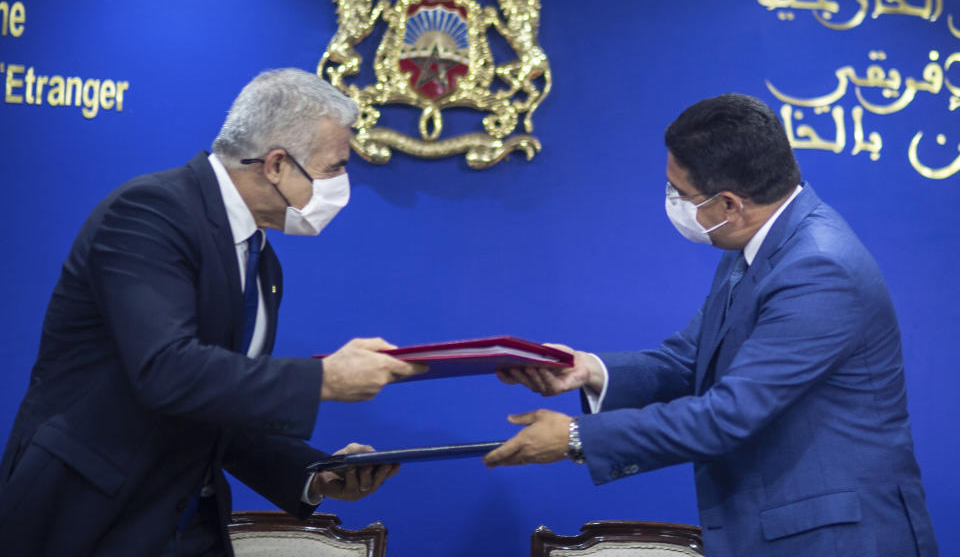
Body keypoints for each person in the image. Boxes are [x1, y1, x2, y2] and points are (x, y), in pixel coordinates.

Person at [484, 94, 938, 556]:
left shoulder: (818, 268)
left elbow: (728, 414)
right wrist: (589, 371)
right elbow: (689, 359)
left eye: (679, 193)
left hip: (839, 541)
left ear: (728, 204)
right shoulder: (755, 243)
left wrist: (577, 438)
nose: (673, 202)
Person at [0, 68, 425, 556]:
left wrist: (313, 473)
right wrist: (324, 378)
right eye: (335, 167)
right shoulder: (150, 213)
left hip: (190, 526)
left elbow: (217, 404)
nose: (341, 185)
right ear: (276, 165)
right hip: (89, 520)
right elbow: (166, 370)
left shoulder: (261, 260)